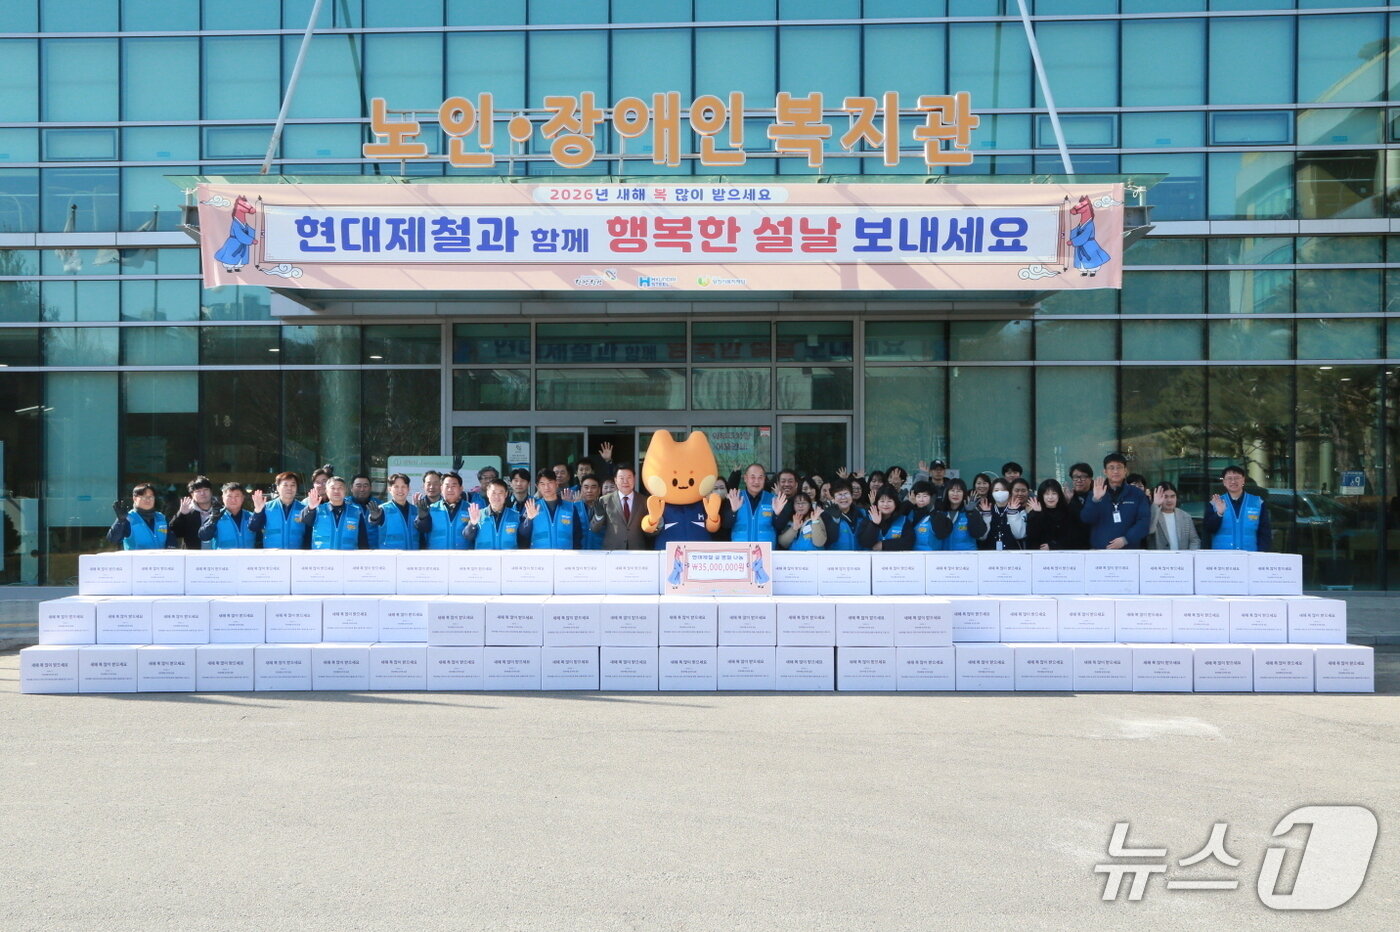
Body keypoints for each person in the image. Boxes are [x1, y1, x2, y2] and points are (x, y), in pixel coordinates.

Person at [1079, 452, 1151, 550]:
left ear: (1125, 470)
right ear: (1105, 471)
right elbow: (1086, 519)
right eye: (1111, 468)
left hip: (1129, 551)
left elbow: (1144, 521)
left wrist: (1126, 539)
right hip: (1101, 551)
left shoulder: (1137, 494)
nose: (1115, 471)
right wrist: (1095, 500)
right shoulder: (1095, 493)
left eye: (1119, 467)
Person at [1203, 465, 1270, 551]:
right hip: (1221, 557)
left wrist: (1261, 555)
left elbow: (1265, 533)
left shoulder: (1258, 503)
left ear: (1243, 480)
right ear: (1224, 482)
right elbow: (1208, 530)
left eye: (1237, 478)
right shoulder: (1215, 503)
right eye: (1229, 478)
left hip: (1250, 556)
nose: (1233, 481)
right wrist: (1219, 514)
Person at [298, 475, 374, 550]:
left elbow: (363, 540)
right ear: (326, 491)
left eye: (340, 488)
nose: (336, 491)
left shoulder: (356, 512)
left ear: (345, 491)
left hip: (348, 559)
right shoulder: (318, 510)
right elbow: (305, 521)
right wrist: (311, 508)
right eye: (333, 488)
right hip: (321, 559)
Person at [588, 463, 649, 550]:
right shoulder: (604, 500)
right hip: (612, 551)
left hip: (637, 551)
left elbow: (650, 532)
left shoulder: (644, 501)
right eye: (621, 478)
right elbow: (594, 529)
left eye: (629, 478)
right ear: (615, 480)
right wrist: (598, 517)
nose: (625, 481)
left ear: (634, 479)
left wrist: (654, 523)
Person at [465, 479, 532, 550]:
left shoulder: (516, 516)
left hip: (508, 559)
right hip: (484, 559)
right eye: (493, 493)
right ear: (488, 493)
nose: (497, 497)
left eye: (500, 493)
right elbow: (467, 536)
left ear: (506, 494)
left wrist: (529, 519)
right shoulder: (478, 514)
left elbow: (524, 538)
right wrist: (472, 524)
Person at [726, 462, 783, 545]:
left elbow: (780, 527)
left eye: (760, 478)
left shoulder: (773, 500)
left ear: (764, 479)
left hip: (765, 553)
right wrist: (733, 511)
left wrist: (778, 514)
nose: (756, 481)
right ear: (745, 478)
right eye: (753, 477)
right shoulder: (735, 497)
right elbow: (726, 525)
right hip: (740, 552)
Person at [525, 467, 581, 549]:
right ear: (538, 487)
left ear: (556, 484)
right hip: (539, 557)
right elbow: (523, 534)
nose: (546, 487)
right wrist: (529, 519)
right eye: (542, 484)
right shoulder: (532, 506)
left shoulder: (571, 508)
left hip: (565, 557)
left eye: (550, 483)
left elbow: (578, 535)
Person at [198, 482, 263, 549]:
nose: (233, 500)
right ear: (223, 498)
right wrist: (212, 520)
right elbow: (204, 536)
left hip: (248, 558)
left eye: (237, 496)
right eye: (229, 496)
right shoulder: (216, 516)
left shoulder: (252, 517)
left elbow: (260, 541)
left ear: (243, 498)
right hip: (224, 558)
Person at [107, 483, 172, 549]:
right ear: (134, 498)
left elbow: (171, 541)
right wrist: (120, 521)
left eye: (151, 497)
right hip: (135, 559)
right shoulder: (128, 518)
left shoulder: (162, 518)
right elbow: (113, 540)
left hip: (161, 558)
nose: (148, 499)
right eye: (143, 497)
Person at [416, 471, 470, 550]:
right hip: (437, 557)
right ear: (441, 488)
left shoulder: (471, 509)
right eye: (447, 486)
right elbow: (422, 530)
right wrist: (422, 518)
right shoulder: (431, 509)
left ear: (461, 488)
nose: (450, 489)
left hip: (462, 557)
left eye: (453, 486)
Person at [258, 471, 308, 550]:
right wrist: (257, 511)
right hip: (272, 556)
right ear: (277, 487)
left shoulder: (304, 508)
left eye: (293, 485)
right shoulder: (266, 507)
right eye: (285, 485)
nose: (289, 488)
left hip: (296, 556)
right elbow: (254, 528)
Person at [932, 478, 986, 550]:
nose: (955, 494)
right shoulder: (941, 512)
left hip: (968, 556)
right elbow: (939, 535)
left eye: (959, 491)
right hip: (945, 556)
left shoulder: (972, 512)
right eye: (952, 490)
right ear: (947, 492)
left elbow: (978, 534)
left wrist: (971, 513)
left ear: (964, 494)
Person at [976, 477, 1027, 550]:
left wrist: (1013, 513)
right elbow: (981, 537)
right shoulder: (986, 509)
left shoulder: (1019, 510)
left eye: (1003, 490)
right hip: (989, 553)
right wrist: (986, 515)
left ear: (1009, 492)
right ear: (992, 493)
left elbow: (1020, 535)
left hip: (1013, 554)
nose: (1000, 493)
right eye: (996, 490)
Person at [1148, 481, 1201, 551]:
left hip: (1182, 559)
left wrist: (1189, 556)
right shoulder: (1154, 513)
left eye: (1172, 496)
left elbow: (1194, 540)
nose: (1169, 500)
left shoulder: (1185, 516)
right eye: (1165, 497)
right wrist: (1155, 505)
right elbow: (1150, 530)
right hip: (1159, 560)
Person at [1025, 479, 1076, 550]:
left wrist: (1053, 546)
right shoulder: (1035, 512)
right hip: (1039, 555)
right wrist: (1038, 514)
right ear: (1042, 496)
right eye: (1047, 494)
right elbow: (1031, 535)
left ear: (1059, 495)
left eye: (1054, 493)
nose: (1050, 497)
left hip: (1063, 554)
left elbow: (1071, 536)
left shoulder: (1067, 512)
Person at [170, 475, 217, 549]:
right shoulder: (188, 511)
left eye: (205, 489)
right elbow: (175, 533)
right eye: (198, 491)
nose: (202, 493)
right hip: (193, 557)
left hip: (218, 556)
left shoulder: (220, 511)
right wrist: (181, 514)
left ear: (211, 491)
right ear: (192, 494)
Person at [375, 473, 420, 550]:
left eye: (403, 486)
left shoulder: (415, 510)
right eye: (396, 487)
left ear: (408, 489)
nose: (400, 490)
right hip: (390, 558)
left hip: (412, 557)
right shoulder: (382, 510)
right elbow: (373, 522)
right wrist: (373, 518)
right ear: (389, 489)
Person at [821, 479, 867, 551]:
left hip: (860, 558)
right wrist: (835, 520)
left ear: (851, 495)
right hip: (837, 560)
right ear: (833, 498)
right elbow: (829, 539)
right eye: (839, 494)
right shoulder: (826, 515)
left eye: (846, 493)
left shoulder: (862, 513)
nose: (843, 497)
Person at [1062, 462, 1095, 549]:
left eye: (1083, 477)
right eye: (1075, 477)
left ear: (1090, 479)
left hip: (1093, 546)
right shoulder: (1067, 497)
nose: (1079, 480)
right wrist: (1068, 501)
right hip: (1072, 547)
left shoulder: (1097, 496)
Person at [866, 487, 909, 551]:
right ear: (877, 503)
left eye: (889, 501)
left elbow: (909, 542)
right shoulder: (868, 518)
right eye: (882, 501)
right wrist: (874, 524)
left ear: (895, 503)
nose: (885, 504)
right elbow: (864, 542)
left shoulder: (904, 520)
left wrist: (884, 545)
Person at [904, 480, 940, 551]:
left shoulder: (937, 515)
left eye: (925, 496)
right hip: (910, 556)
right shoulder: (908, 513)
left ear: (932, 497)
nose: (921, 499)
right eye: (918, 496)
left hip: (931, 556)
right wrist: (908, 504)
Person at [350, 474, 381, 548]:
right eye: (358, 486)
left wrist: (376, 519)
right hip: (351, 551)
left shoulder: (380, 505)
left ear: (370, 488)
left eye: (365, 486)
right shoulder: (345, 505)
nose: (362, 489)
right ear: (351, 488)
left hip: (375, 551)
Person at [577, 475, 606, 550]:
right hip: (579, 553)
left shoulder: (606, 508)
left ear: (599, 490)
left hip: (600, 552)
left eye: (593, 487)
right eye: (586, 487)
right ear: (581, 489)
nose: (589, 490)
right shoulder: (574, 508)